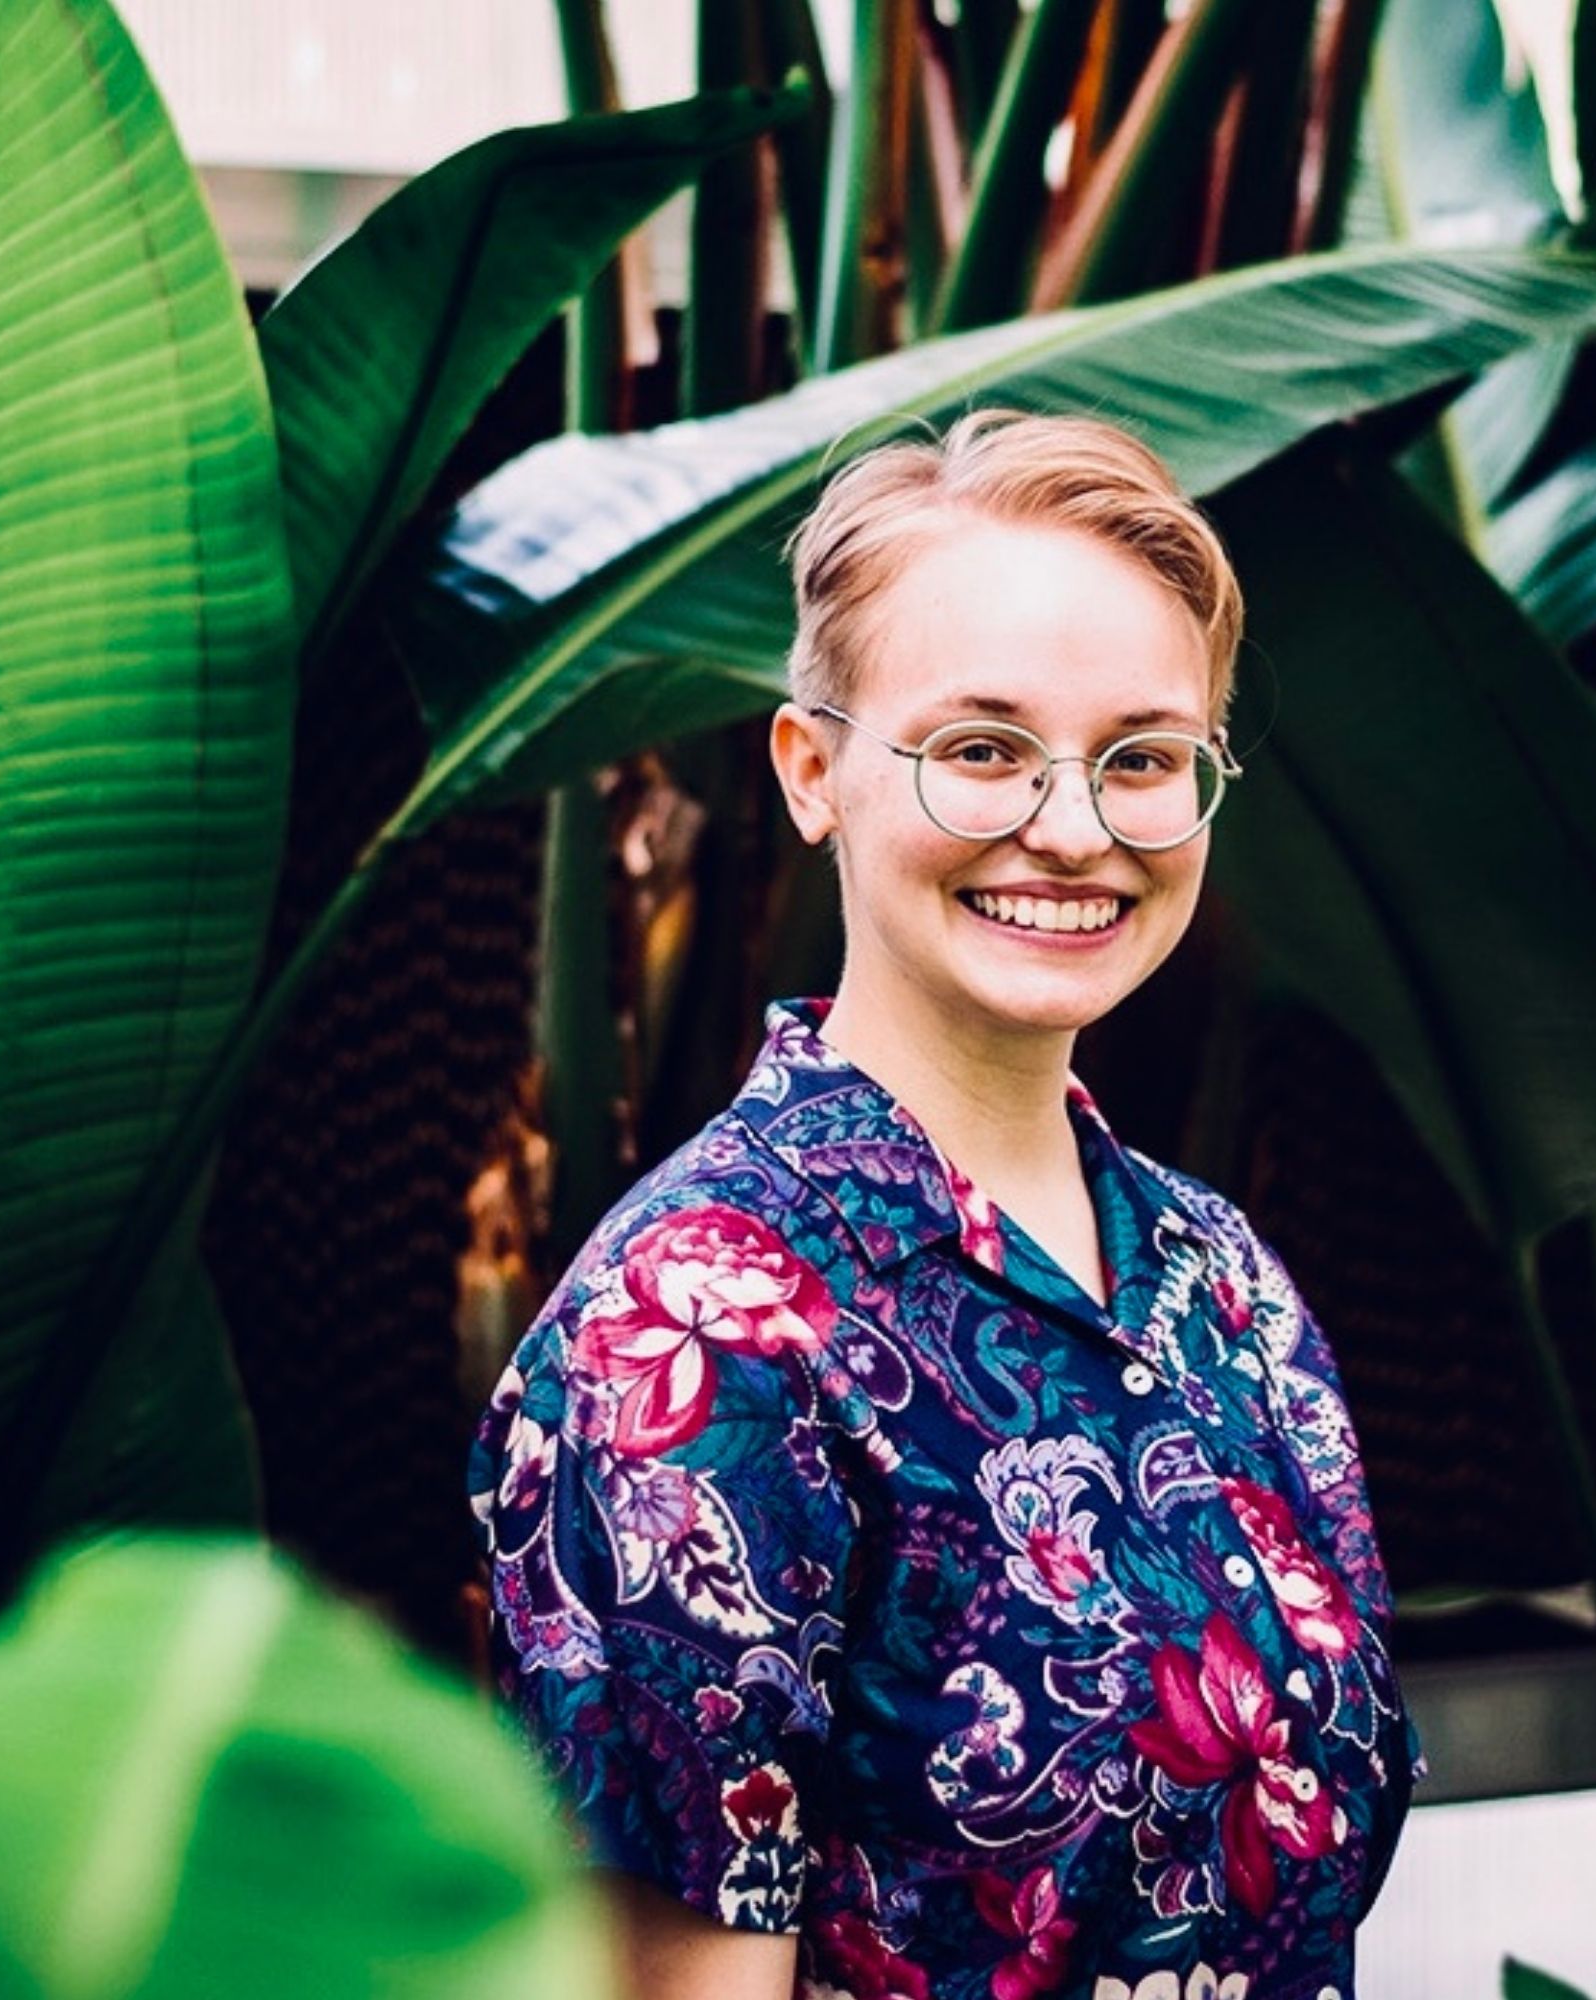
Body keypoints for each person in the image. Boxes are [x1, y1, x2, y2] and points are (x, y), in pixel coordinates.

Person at [470, 411, 1419, 2000]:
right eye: (981, 747)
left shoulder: (1227, 1287)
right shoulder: (695, 1336)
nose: (1072, 827)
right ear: (811, 770)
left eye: (1143, 758)